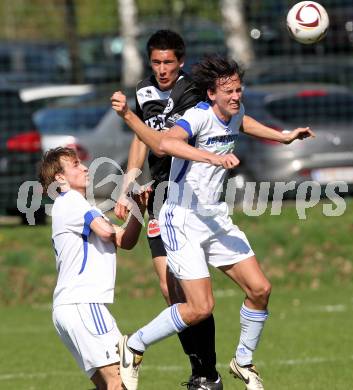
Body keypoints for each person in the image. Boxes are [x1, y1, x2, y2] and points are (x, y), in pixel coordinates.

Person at [111, 55, 315, 390]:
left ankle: (243, 361)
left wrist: (284, 137)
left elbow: (246, 123)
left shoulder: (236, 112)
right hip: (182, 218)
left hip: (214, 215)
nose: (236, 96)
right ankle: (134, 344)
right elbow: (165, 144)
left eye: (239, 90)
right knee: (200, 307)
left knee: (260, 289)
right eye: (229, 92)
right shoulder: (197, 117)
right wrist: (211, 157)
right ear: (211, 94)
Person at [114, 30, 221, 389]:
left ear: (181, 62)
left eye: (168, 62)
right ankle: (199, 372)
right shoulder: (144, 91)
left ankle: (208, 371)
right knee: (168, 288)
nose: (162, 69)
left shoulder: (191, 92)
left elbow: (162, 145)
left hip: (188, 195)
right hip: (158, 196)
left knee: (193, 296)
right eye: (156, 62)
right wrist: (129, 179)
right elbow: (143, 136)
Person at [39, 147, 148, 390]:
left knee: (109, 384)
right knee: (119, 382)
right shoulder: (70, 201)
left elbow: (124, 241)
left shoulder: (81, 208)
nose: (85, 167)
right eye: (76, 164)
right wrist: (126, 203)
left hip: (72, 306)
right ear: (60, 178)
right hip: (83, 303)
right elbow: (107, 232)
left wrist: (140, 210)